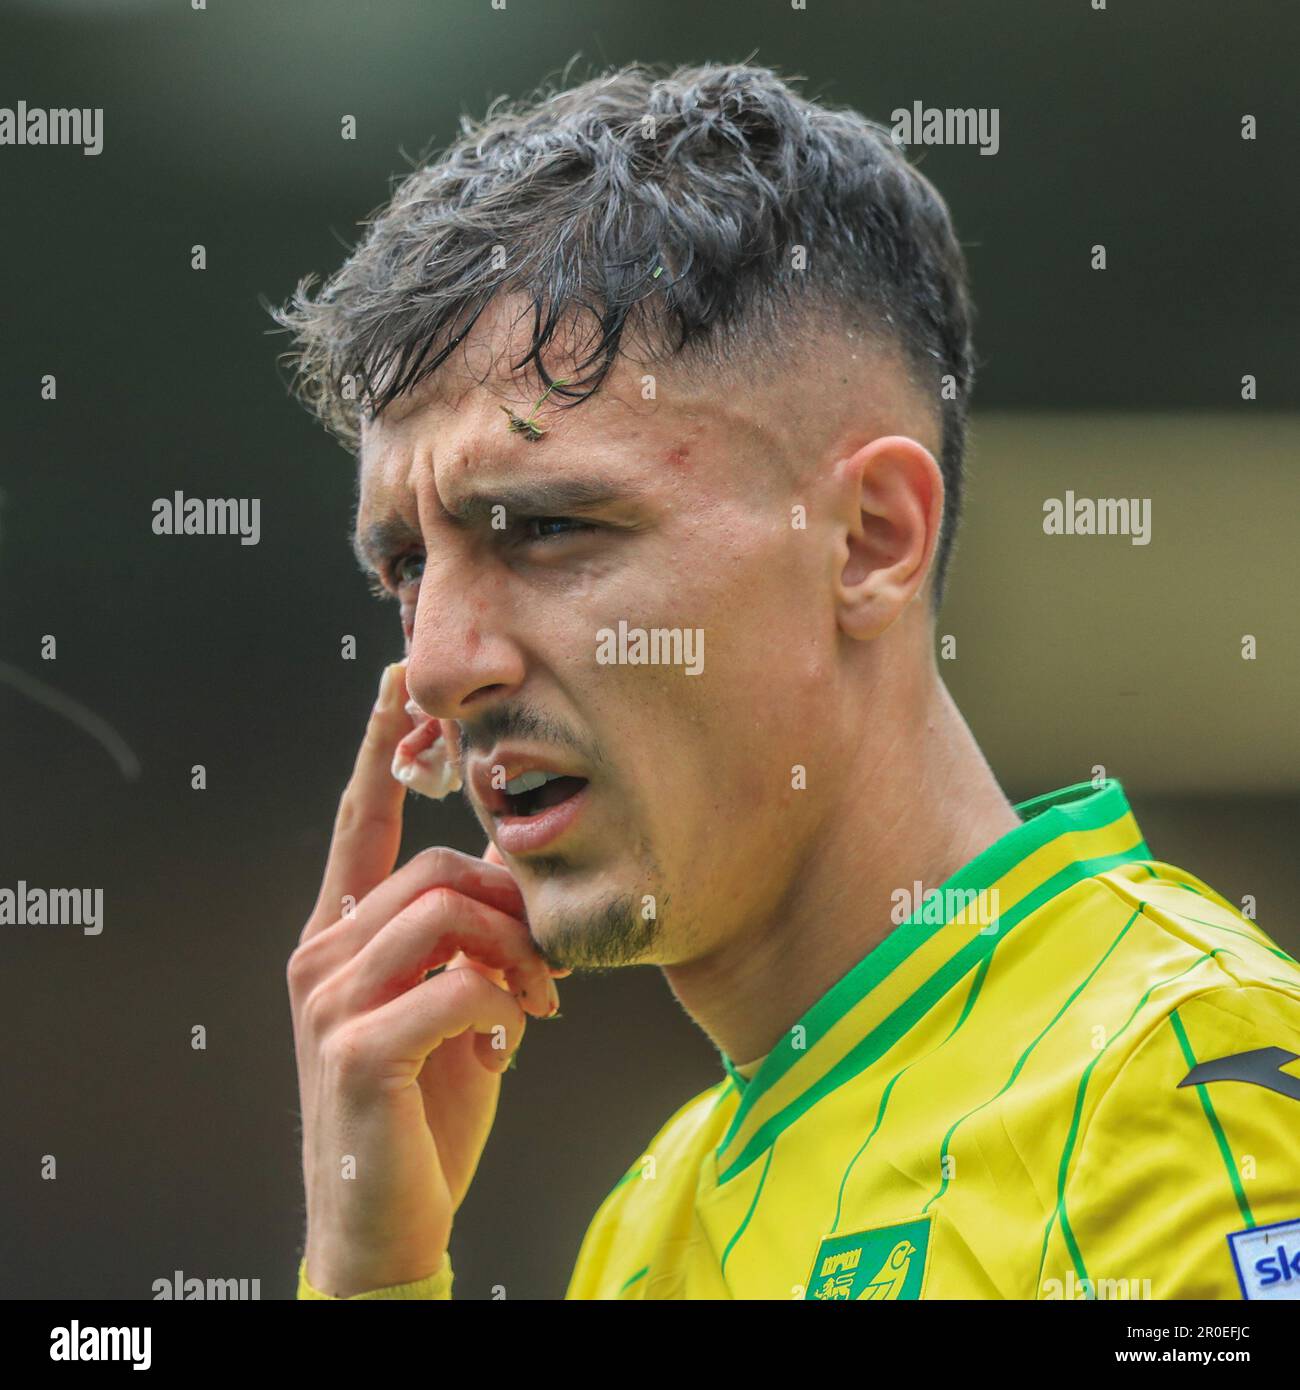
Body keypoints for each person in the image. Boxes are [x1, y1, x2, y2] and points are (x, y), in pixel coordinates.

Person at [274, 61, 1300, 1301]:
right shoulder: (644, 1225)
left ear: (868, 539)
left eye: (544, 529)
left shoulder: (1186, 1069)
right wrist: (373, 1278)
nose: (435, 662)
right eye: (404, 565)